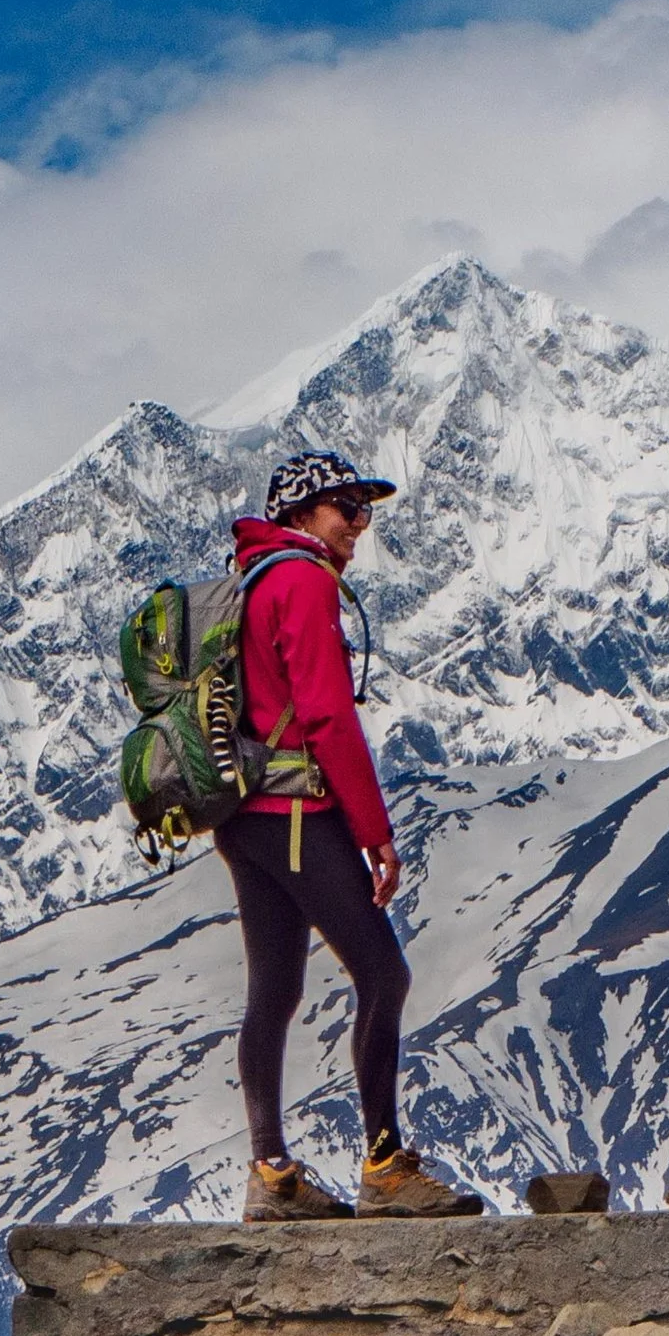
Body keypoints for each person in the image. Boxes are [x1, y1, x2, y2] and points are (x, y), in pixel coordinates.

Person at [221, 448, 484, 1221]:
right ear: (301, 516)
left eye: (365, 511)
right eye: (347, 509)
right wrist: (374, 833)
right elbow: (328, 716)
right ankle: (385, 1165)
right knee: (383, 972)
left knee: (275, 989)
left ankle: (270, 1173)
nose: (359, 526)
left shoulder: (253, 581)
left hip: (246, 820)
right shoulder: (302, 581)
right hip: (299, 815)